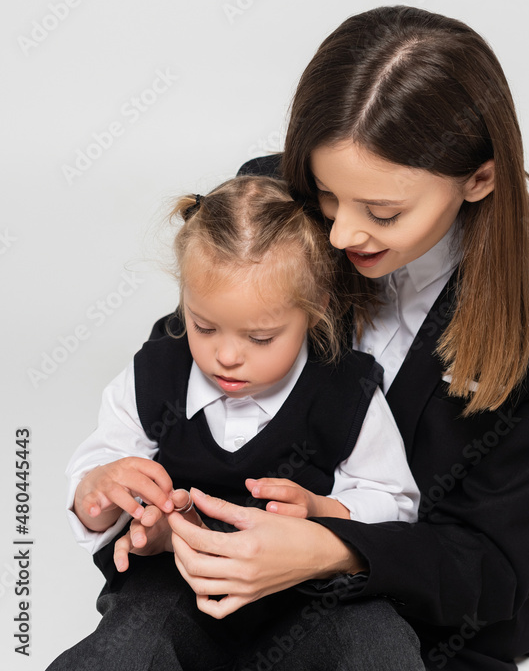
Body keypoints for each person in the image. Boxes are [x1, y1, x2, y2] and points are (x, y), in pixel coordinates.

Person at [163, 6, 529, 671]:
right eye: (327, 195)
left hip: (429, 630)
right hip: (235, 600)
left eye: (382, 212)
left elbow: (493, 566)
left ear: (479, 178)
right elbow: (183, 400)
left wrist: (331, 546)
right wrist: (153, 501)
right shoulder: (269, 202)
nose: (340, 235)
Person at [47, 174, 422, 671]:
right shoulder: (153, 375)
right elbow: (96, 488)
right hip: (176, 588)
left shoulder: (346, 392)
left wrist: (323, 510)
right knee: (126, 650)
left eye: (260, 338)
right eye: (204, 326)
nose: (226, 356)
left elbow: (395, 504)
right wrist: (105, 493)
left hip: (309, 594)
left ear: (315, 312)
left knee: (379, 649)